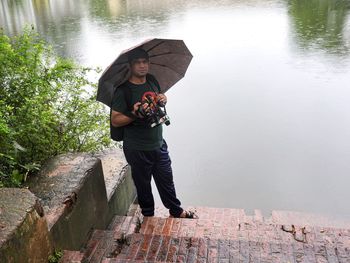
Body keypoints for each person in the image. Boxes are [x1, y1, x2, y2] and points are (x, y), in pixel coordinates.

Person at [111, 48, 197, 218]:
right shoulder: (123, 91)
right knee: (143, 184)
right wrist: (134, 113)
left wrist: (163, 98)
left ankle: (176, 210)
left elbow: (157, 97)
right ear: (130, 66)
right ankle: (148, 216)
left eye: (145, 62)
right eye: (138, 63)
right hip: (136, 147)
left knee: (166, 178)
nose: (142, 66)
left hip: (158, 142)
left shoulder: (152, 80)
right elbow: (115, 120)